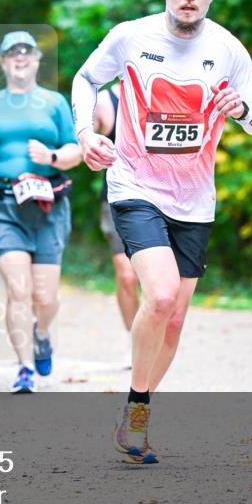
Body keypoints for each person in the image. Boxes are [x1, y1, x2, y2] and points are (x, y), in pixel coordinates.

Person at [72, 0, 252, 462]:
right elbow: (85, 79)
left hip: (195, 200)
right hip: (135, 186)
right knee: (161, 296)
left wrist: (243, 110)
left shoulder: (227, 49)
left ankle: (135, 411)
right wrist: (84, 134)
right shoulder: (131, 37)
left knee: (177, 319)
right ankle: (138, 412)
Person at [0, 31, 82, 394]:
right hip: (1, 204)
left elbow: (75, 150)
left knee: (45, 297)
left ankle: (41, 333)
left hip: (48, 205)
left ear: (37, 61)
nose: (20, 58)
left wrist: (53, 156)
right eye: (13, 53)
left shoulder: (55, 103)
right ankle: (25, 368)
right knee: (18, 289)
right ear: (2, 61)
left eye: (27, 52)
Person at [93, 86, 140, 369]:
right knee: (127, 275)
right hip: (116, 199)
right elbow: (81, 144)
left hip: (162, 198)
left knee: (158, 281)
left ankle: (153, 337)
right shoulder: (103, 101)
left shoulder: (163, 88)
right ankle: (133, 340)